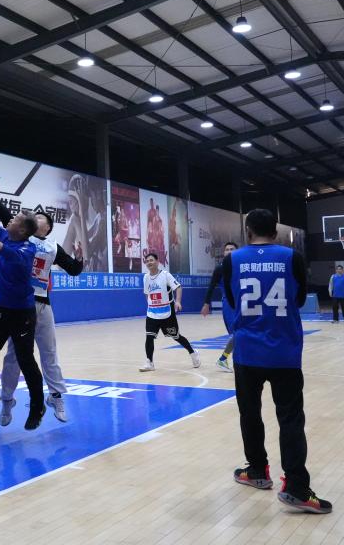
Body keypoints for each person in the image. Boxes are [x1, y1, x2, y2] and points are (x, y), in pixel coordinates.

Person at [222, 209, 331, 514]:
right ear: (275, 232)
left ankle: (257, 471)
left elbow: (231, 301)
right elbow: (299, 299)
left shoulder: (231, 260)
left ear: (247, 231)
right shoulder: (292, 257)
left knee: (250, 414)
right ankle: (296, 487)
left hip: (247, 352)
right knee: (291, 419)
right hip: (285, 351)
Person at [0, 168, 84, 425]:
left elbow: (72, 269)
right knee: (11, 357)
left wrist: (79, 260)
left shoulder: (43, 246)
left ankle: (53, 398)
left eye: (41, 216)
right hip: (11, 306)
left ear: (47, 227)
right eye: (34, 214)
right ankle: (5, 400)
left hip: (36, 306)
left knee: (47, 354)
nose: (36, 215)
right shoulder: (15, 233)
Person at [0, 178, 46, 430]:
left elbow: (11, 256)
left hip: (22, 314)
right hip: (2, 311)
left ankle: (37, 406)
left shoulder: (28, 249)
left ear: (22, 231)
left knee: (25, 360)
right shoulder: (4, 234)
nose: (9, 219)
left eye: (15, 219)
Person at [139, 252, 200, 372]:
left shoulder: (165, 275)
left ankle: (193, 352)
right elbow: (146, 293)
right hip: (152, 313)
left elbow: (178, 287)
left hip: (167, 312)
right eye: (147, 261)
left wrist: (178, 302)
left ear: (157, 262)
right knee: (149, 337)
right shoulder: (146, 277)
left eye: (151, 260)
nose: (149, 262)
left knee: (176, 336)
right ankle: (149, 362)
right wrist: (150, 304)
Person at [201, 242, 239, 372]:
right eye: (227, 249)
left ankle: (225, 359)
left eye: (232, 249)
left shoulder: (242, 266)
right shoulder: (220, 269)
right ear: (224, 253)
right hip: (229, 304)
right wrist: (206, 304)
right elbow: (211, 286)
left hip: (242, 303)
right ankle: (225, 359)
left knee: (243, 332)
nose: (229, 251)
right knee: (237, 333)